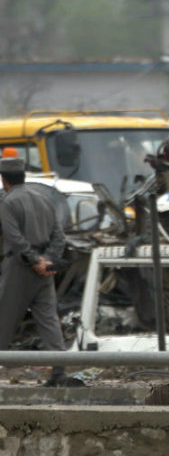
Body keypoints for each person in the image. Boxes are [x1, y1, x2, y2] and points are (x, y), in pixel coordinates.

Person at [0, 157, 82, 387]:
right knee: (49, 321)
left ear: (4, 179)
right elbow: (59, 235)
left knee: (4, 319)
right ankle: (59, 373)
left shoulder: (8, 202)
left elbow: (14, 238)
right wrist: (49, 260)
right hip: (44, 269)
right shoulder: (43, 198)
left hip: (19, 267)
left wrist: (34, 260)